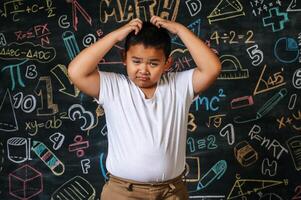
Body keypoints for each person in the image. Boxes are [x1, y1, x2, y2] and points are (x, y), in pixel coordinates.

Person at [68, 16, 221, 200]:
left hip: (171, 191)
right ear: (124, 58)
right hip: (123, 191)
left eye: (153, 63)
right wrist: (115, 37)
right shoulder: (114, 87)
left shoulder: (179, 86)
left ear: (167, 63)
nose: (144, 70)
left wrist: (180, 30)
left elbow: (212, 68)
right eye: (137, 61)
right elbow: (76, 71)